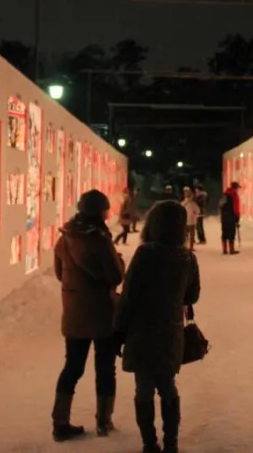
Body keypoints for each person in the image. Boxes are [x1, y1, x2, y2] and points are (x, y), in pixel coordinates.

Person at [115, 201, 201, 453]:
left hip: (141, 330)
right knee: (168, 386)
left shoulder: (145, 254)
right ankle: (171, 443)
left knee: (143, 388)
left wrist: (118, 331)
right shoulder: (187, 257)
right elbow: (193, 295)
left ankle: (149, 444)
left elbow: (128, 296)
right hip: (170, 330)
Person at [51, 190, 125, 441]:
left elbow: (60, 273)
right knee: (105, 367)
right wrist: (120, 262)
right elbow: (115, 276)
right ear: (99, 212)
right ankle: (104, 421)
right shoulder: (100, 239)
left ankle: (60, 422)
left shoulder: (65, 238)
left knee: (72, 367)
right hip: (102, 312)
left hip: (74, 312)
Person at [219, 181, 241, 255]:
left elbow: (220, 205)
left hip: (224, 217)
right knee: (231, 234)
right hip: (231, 217)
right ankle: (231, 250)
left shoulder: (225, 195)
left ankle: (224, 250)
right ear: (235, 188)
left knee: (224, 233)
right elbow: (236, 208)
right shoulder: (234, 196)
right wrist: (237, 218)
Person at [181, 187, 200, 251]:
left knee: (185, 235)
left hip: (184, 221)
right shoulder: (193, 204)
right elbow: (197, 211)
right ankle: (191, 247)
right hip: (192, 221)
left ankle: (184, 246)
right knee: (192, 235)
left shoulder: (182, 203)